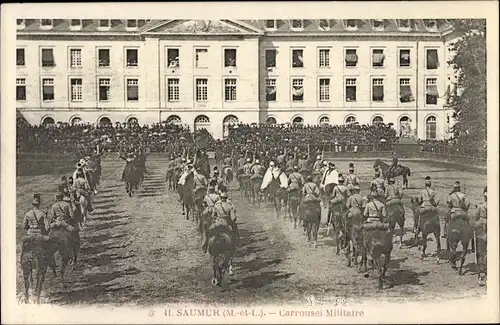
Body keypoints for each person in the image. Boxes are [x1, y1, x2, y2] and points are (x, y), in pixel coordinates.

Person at [473, 186, 487, 286]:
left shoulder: (481, 206)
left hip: (482, 232)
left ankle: (482, 276)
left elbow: (475, 218)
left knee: (481, 253)